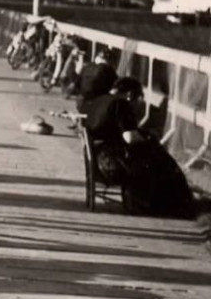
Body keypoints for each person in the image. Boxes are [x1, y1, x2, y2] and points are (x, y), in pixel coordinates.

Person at [82, 77, 197, 218]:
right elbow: (130, 137)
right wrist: (147, 138)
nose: (137, 104)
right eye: (138, 99)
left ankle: (149, 202)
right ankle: (163, 205)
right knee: (160, 161)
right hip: (112, 165)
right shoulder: (120, 104)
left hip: (97, 162)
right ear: (130, 94)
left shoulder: (98, 101)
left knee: (151, 157)